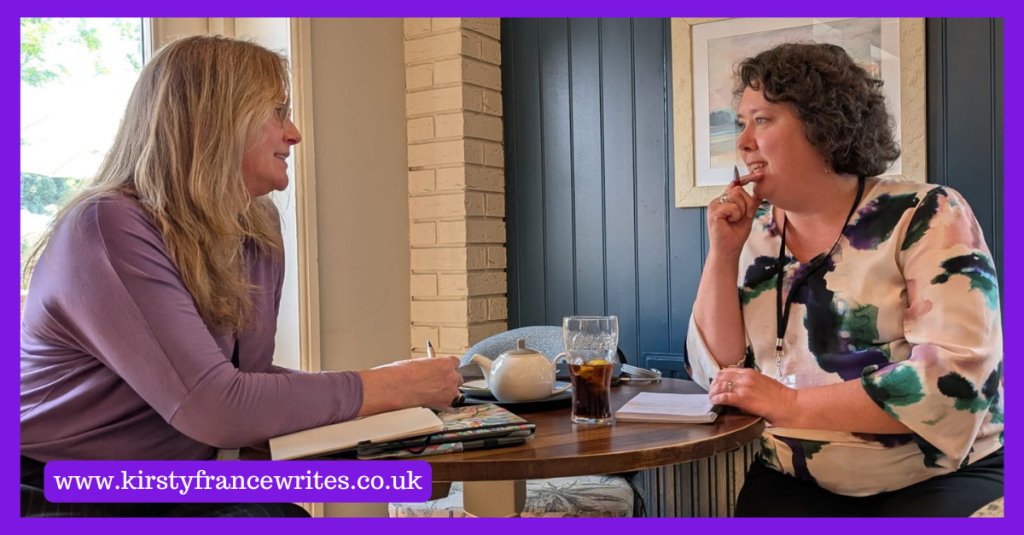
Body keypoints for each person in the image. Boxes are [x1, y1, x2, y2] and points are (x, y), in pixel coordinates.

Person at [19, 35, 463, 517]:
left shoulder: (258, 227)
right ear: (215, 119)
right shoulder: (106, 227)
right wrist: (391, 387)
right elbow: (216, 405)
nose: (293, 133)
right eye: (276, 111)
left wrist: (382, 392)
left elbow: (243, 382)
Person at [687, 42, 1003, 517]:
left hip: (938, 479)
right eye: (740, 124)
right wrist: (723, 253)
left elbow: (952, 381)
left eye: (763, 120)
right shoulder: (754, 231)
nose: (743, 142)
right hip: (793, 478)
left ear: (823, 124)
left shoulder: (927, 213)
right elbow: (718, 374)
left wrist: (790, 404)